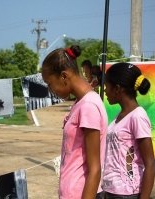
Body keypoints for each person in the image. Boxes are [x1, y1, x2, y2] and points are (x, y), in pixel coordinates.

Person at [42, 45, 108, 199]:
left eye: (50, 84)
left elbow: (95, 169)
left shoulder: (88, 106)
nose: (51, 90)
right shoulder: (81, 103)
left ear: (64, 76)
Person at [102, 62, 155, 199]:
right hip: (110, 190)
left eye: (107, 86)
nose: (104, 90)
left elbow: (150, 164)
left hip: (127, 193)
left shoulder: (138, 116)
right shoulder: (118, 116)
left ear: (118, 89)